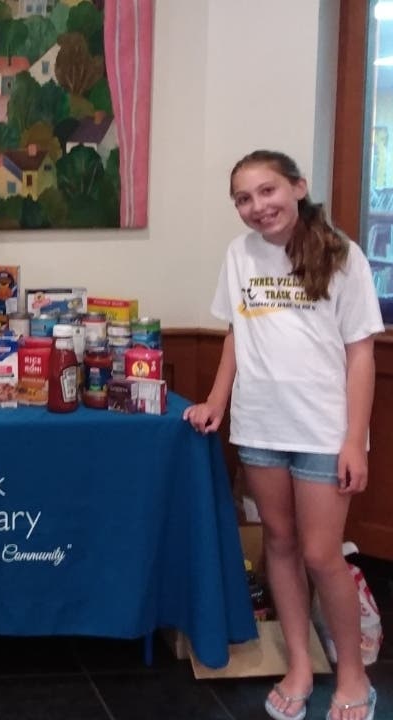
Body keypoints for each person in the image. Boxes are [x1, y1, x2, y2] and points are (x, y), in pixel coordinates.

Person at [184, 150, 383, 720]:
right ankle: (299, 663)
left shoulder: (343, 256)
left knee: (323, 555)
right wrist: (217, 401)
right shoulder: (239, 254)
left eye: (267, 191)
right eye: (243, 199)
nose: (257, 207)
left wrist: (354, 439)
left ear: (297, 187)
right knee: (280, 544)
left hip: (324, 431)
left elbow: (362, 354)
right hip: (261, 426)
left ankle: (351, 675)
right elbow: (234, 334)